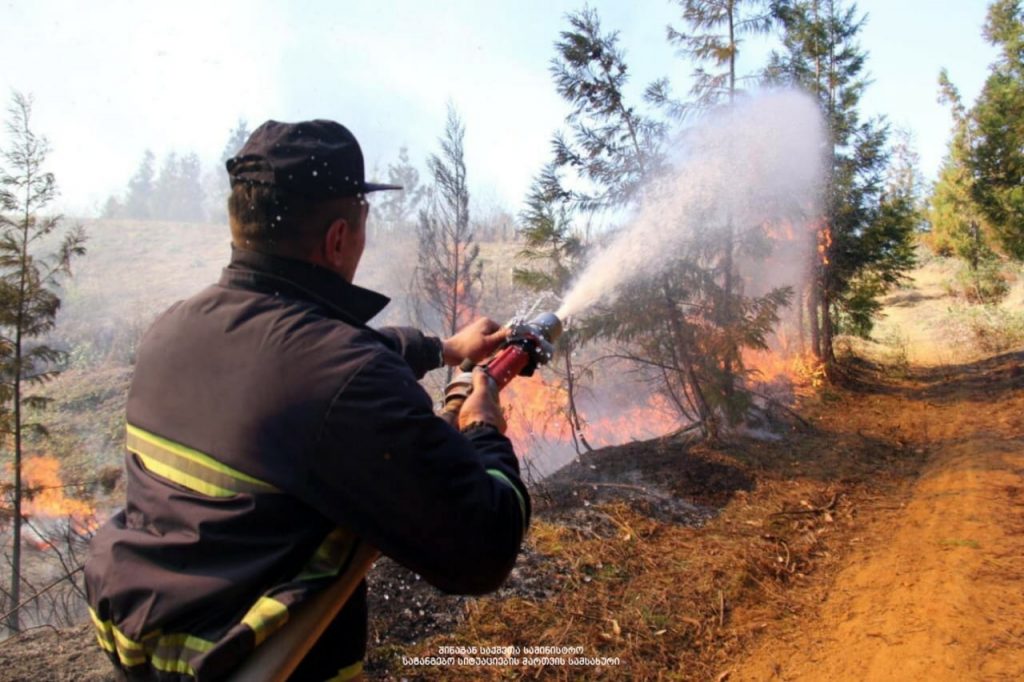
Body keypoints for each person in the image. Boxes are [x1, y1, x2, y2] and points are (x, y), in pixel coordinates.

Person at [84, 120, 530, 681]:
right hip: (246, 663)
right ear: (338, 238)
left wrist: (441, 349)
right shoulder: (343, 377)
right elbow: (483, 548)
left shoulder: (173, 328)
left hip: (140, 645)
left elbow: (303, 361)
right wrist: (483, 425)